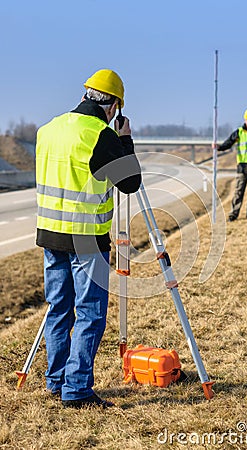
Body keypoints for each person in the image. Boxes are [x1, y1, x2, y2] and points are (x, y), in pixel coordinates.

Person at [35, 69, 141, 408]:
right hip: (86, 240)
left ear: (86, 94)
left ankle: (55, 381)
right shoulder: (99, 134)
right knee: (90, 313)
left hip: (50, 235)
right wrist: (124, 140)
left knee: (59, 309)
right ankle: (77, 389)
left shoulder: (48, 129)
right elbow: (130, 183)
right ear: (113, 106)